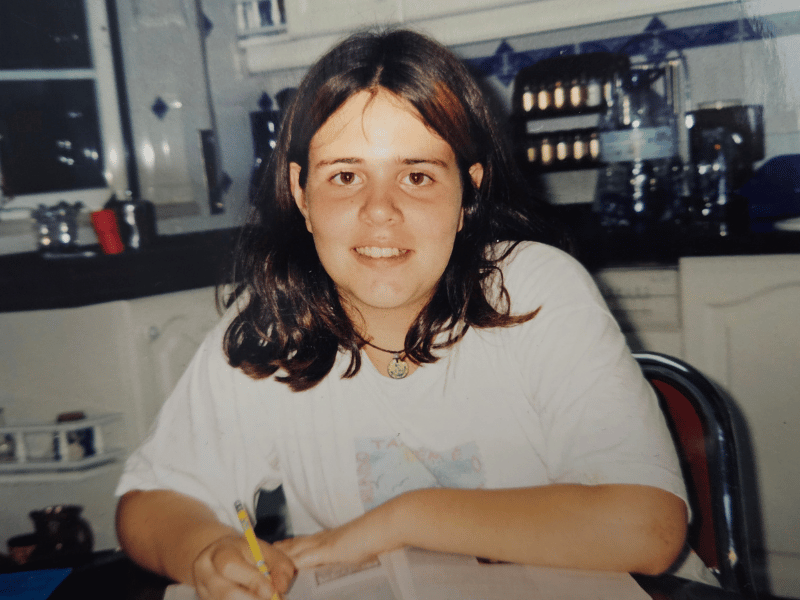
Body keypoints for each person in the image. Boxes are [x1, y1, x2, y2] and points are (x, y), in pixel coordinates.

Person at [115, 28, 698, 600]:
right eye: (345, 176)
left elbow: (646, 527)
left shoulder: (535, 289)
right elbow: (151, 500)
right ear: (301, 195)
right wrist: (205, 549)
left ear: (468, 195)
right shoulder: (274, 322)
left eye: (416, 176)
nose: (379, 212)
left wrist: (402, 520)